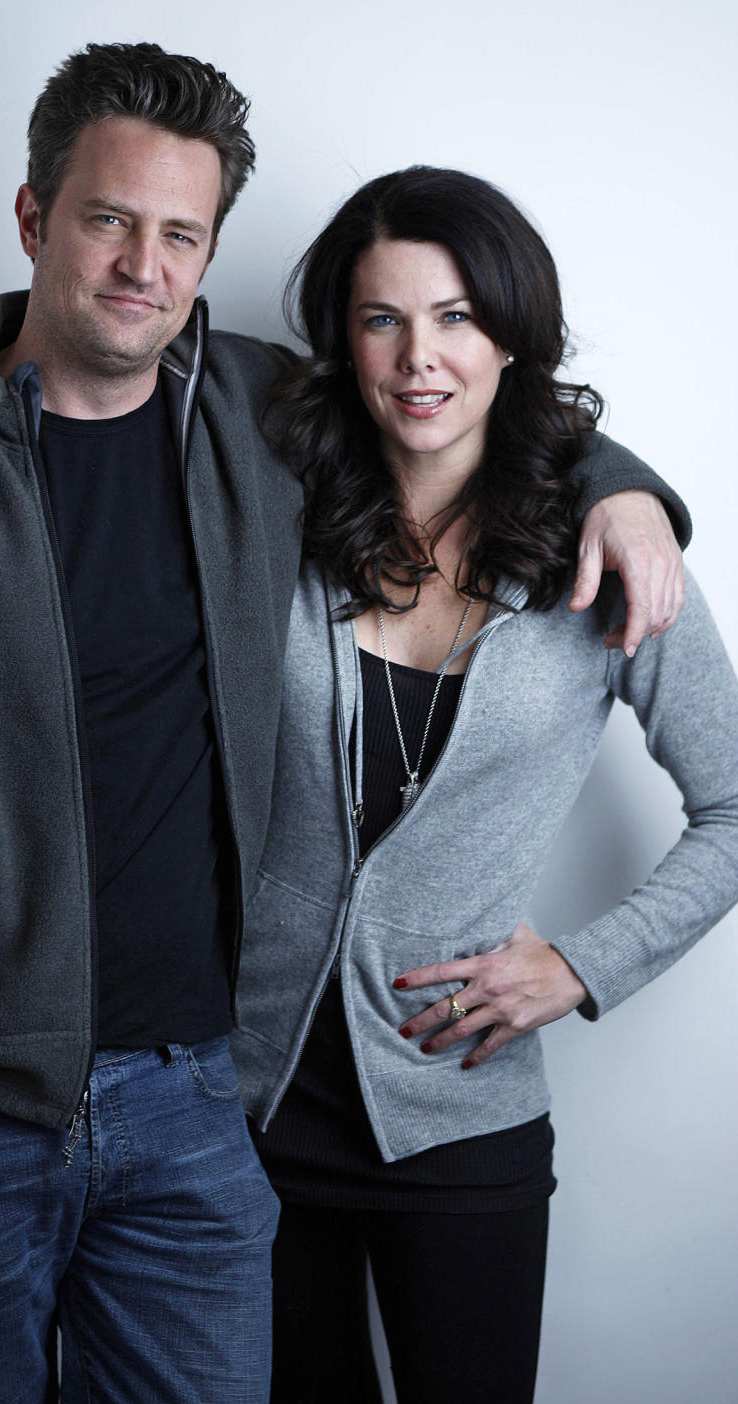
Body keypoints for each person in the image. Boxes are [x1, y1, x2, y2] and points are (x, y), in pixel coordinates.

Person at [0, 41, 687, 1404]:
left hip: (199, 1114)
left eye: (182, 233)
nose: (145, 263)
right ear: (34, 219)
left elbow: (468, 405)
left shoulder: (263, 422)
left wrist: (629, 491)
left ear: (210, 252)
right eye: (108, 219)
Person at [222, 165, 738, 1404]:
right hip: (246, 1106)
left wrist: (582, 967)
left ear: (514, 337)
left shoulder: (605, 557)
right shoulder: (266, 503)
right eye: (382, 318)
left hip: (460, 1114)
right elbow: (116, 318)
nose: (420, 357)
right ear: (343, 342)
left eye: (457, 317)